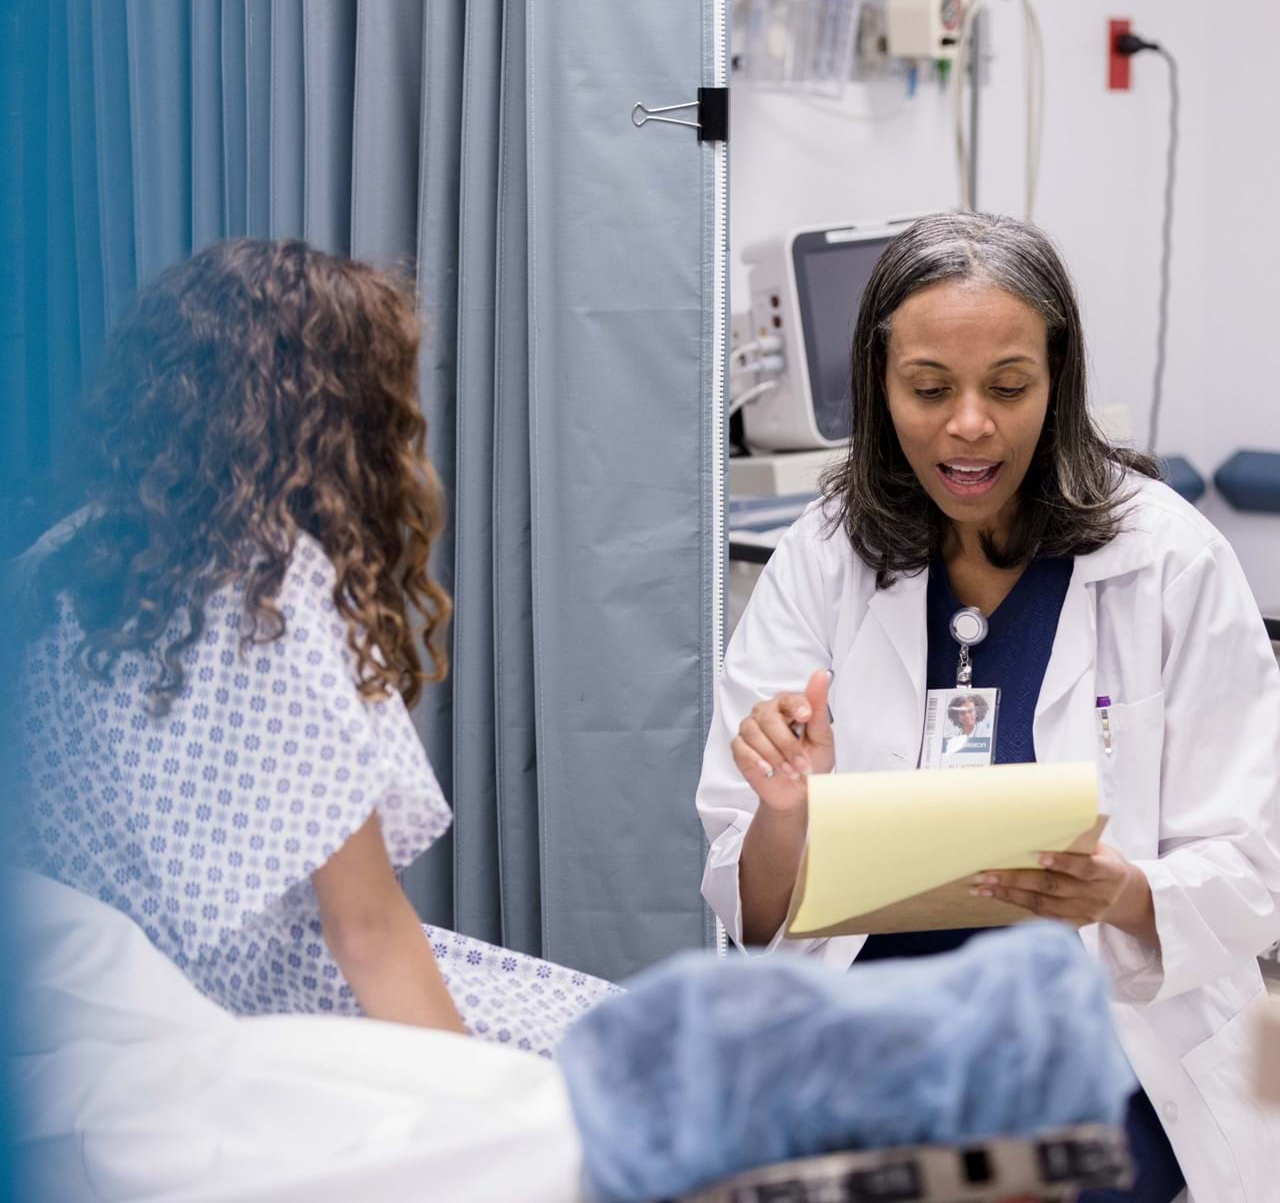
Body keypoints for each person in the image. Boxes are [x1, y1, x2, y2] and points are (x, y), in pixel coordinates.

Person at [697, 212, 1280, 1203]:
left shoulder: (1170, 562)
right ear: (880, 390)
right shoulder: (821, 557)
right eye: (928, 389)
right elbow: (753, 909)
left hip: (1103, 1041)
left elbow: (1252, 864)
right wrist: (785, 810)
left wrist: (1121, 890)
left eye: (1006, 387)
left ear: (1056, 385)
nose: (968, 423)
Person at [14, 238, 614, 1058]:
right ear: (333, 419)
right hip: (279, 1016)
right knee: (651, 1046)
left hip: (127, 1015)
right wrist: (490, 1102)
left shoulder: (51, 570)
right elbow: (363, 931)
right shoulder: (266, 587)